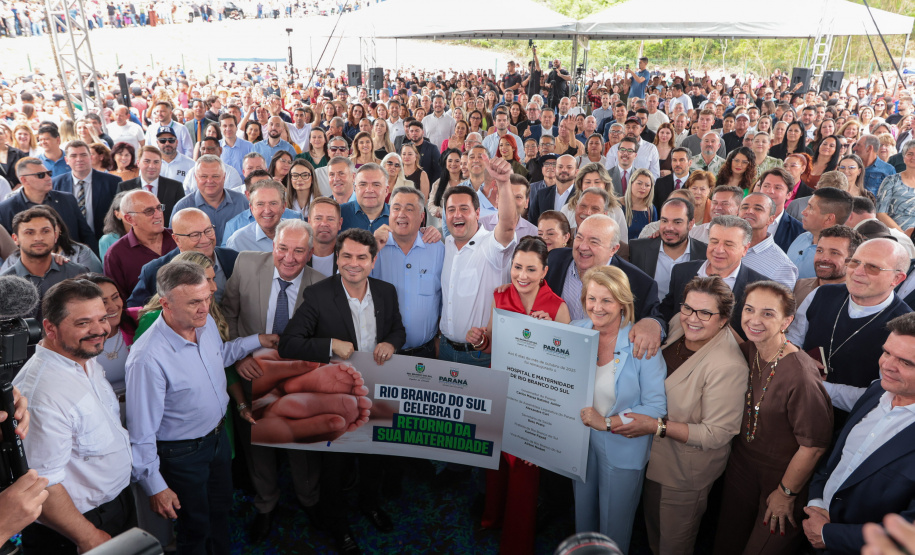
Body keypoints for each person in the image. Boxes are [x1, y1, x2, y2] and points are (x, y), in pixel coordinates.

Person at [126, 261, 279, 555]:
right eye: (194, 302)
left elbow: (219, 355)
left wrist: (254, 341)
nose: (205, 308)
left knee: (221, 510)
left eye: (207, 298)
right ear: (166, 304)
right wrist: (155, 486)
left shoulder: (203, 323)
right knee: (194, 527)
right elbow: (141, 433)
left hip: (219, 439)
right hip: (182, 454)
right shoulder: (147, 359)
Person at [278, 228, 406, 554]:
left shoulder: (387, 292)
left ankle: (370, 504)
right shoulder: (320, 294)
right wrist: (330, 345)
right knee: (334, 468)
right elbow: (289, 343)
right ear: (337, 258)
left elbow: (397, 329)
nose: (353, 263)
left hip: (376, 391)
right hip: (336, 398)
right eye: (346, 256)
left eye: (361, 257)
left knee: (374, 458)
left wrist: (391, 342)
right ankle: (338, 525)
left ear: (373, 262)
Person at [616, 277, 747, 555]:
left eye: (705, 313)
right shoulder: (678, 322)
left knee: (674, 545)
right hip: (653, 457)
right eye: (688, 308)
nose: (692, 319)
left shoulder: (728, 366)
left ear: (724, 319)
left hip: (684, 472)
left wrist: (656, 426)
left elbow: (717, 434)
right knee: (653, 533)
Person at [461, 236, 570, 554]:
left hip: (533, 401)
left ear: (544, 271)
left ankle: (516, 544)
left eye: (530, 269)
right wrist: (479, 339)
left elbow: (564, 368)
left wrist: (551, 335)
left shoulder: (557, 307)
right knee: (494, 464)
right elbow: (491, 343)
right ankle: (491, 520)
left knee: (524, 474)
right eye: (517, 266)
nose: (522, 275)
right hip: (500, 390)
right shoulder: (500, 295)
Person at [13, 279, 135, 554]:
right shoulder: (41, 395)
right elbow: (42, 485)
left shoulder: (83, 356)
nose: (100, 330)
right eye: (83, 323)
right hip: (75, 528)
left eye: (102, 318)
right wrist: (89, 537)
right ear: (49, 328)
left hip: (115, 504)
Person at [220, 219, 324, 543]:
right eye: (282, 248)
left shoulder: (322, 286)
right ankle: (266, 503)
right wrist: (240, 355)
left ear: (310, 253)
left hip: (298, 382)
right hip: (251, 374)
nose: (289, 258)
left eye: (298, 251)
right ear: (273, 246)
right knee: (256, 446)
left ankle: (310, 500)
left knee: (302, 447)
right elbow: (228, 316)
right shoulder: (246, 263)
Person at [712, 281, 833, 555]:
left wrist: (785, 493)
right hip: (741, 467)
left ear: (787, 321)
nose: (754, 320)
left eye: (768, 313)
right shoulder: (750, 350)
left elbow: (814, 446)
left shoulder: (800, 374)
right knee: (725, 544)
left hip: (782, 478)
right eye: (749, 309)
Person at [801, 313, 915, 553]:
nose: (887, 365)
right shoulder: (876, 390)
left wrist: (828, 535)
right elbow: (837, 453)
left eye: (906, 362)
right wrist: (816, 502)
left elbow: (910, 533)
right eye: (886, 352)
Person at [574, 265, 666, 554]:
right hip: (578, 442)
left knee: (614, 526)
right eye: (591, 299)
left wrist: (609, 423)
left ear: (623, 303)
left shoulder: (641, 344)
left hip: (623, 445)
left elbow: (655, 406)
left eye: (606, 301)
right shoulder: (575, 331)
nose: (596, 308)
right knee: (582, 517)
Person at [788, 237, 911, 394]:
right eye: (854, 262)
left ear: (897, 278)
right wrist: (798, 359)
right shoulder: (821, 294)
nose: (858, 272)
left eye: (873, 267)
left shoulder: (905, 327)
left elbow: (881, 395)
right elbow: (792, 340)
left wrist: (817, 385)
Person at [546, 213, 666, 358]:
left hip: (606, 359)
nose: (583, 246)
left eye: (594, 241)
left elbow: (656, 319)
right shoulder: (554, 260)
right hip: (555, 352)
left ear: (613, 249)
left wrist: (653, 324)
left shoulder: (639, 282)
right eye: (579, 237)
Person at [439, 154, 519, 366]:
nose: (457, 215)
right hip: (445, 350)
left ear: (477, 213)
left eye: (464, 209)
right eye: (451, 210)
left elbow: (508, 225)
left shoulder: (492, 246)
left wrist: (503, 183)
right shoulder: (444, 244)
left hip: (480, 354)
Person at [661, 215, 770, 339]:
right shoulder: (682, 271)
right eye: (714, 241)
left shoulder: (760, 287)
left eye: (729, 244)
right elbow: (666, 312)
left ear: (745, 249)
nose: (718, 250)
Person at [371, 186, 445, 357]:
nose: (401, 214)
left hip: (425, 352)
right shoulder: (373, 246)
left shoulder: (437, 249)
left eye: (409, 209)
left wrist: (440, 337)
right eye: (396, 208)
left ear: (422, 217)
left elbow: (444, 297)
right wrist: (371, 248)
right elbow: (347, 285)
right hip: (380, 353)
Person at [1, 206, 90, 320]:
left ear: (56, 235)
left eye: (45, 231)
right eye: (29, 233)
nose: (38, 238)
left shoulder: (77, 273)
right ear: (15, 239)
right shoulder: (4, 284)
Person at [628, 197, 707, 299]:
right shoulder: (638, 249)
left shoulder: (705, 254)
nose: (669, 228)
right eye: (664, 221)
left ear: (691, 224)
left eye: (677, 222)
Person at [104, 189, 178, 298]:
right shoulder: (115, 255)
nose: (158, 215)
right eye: (149, 211)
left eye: (159, 208)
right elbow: (118, 301)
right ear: (130, 219)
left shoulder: (179, 237)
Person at [171, 155, 250, 244]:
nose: (209, 181)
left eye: (215, 176)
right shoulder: (182, 207)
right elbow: (174, 243)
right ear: (196, 178)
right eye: (204, 176)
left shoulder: (242, 201)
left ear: (224, 177)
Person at [787, 185, 854, 278]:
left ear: (828, 218)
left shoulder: (838, 258)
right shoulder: (801, 238)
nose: (803, 212)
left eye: (810, 207)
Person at [738, 192, 800, 289]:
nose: (749, 211)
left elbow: (778, 303)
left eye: (758, 208)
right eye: (745, 207)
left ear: (771, 219)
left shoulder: (783, 267)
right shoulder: (723, 246)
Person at [792, 225, 862, 305]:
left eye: (834, 253)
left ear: (852, 260)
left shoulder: (856, 299)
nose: (824, 258)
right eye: (820, 251)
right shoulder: (798, 286)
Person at [117, 145, 185, 225]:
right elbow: (119, 218)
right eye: (147, 161)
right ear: (138, 163)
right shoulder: (124, 187)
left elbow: (181, 218)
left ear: (161, 164)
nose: (152, 166)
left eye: (156, 162)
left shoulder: (175, 187)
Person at [226, 179, 289, 252]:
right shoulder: (237, 242)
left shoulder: (298, 234)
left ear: (283, 207)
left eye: (273, 203)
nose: (267, 210)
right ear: (251, 208)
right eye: (260, 204)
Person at [758, 167, 806, 252]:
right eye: (766, 186)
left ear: (789, 194)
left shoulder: (799, 231)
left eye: (777, 187)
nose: (770, 191)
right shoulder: (743, 220)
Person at [653, 147, 691, 212]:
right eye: (674, 160)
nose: (677, 164)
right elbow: (656, 209)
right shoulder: (660, 183)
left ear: (689, 163)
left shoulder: (695, 184)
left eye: (681, 160)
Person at [623, 168, 656, 238]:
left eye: (647, 185)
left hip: (643, 248)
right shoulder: (617, 205)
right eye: (639, 183)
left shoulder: (651, 209)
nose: (643, 188)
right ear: (631, 183)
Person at [99, 190, 131, 261]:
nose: (133, 213)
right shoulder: (107, 240)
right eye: (128, 209)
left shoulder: (152, 233)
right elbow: (108, 270)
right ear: (117, 214)